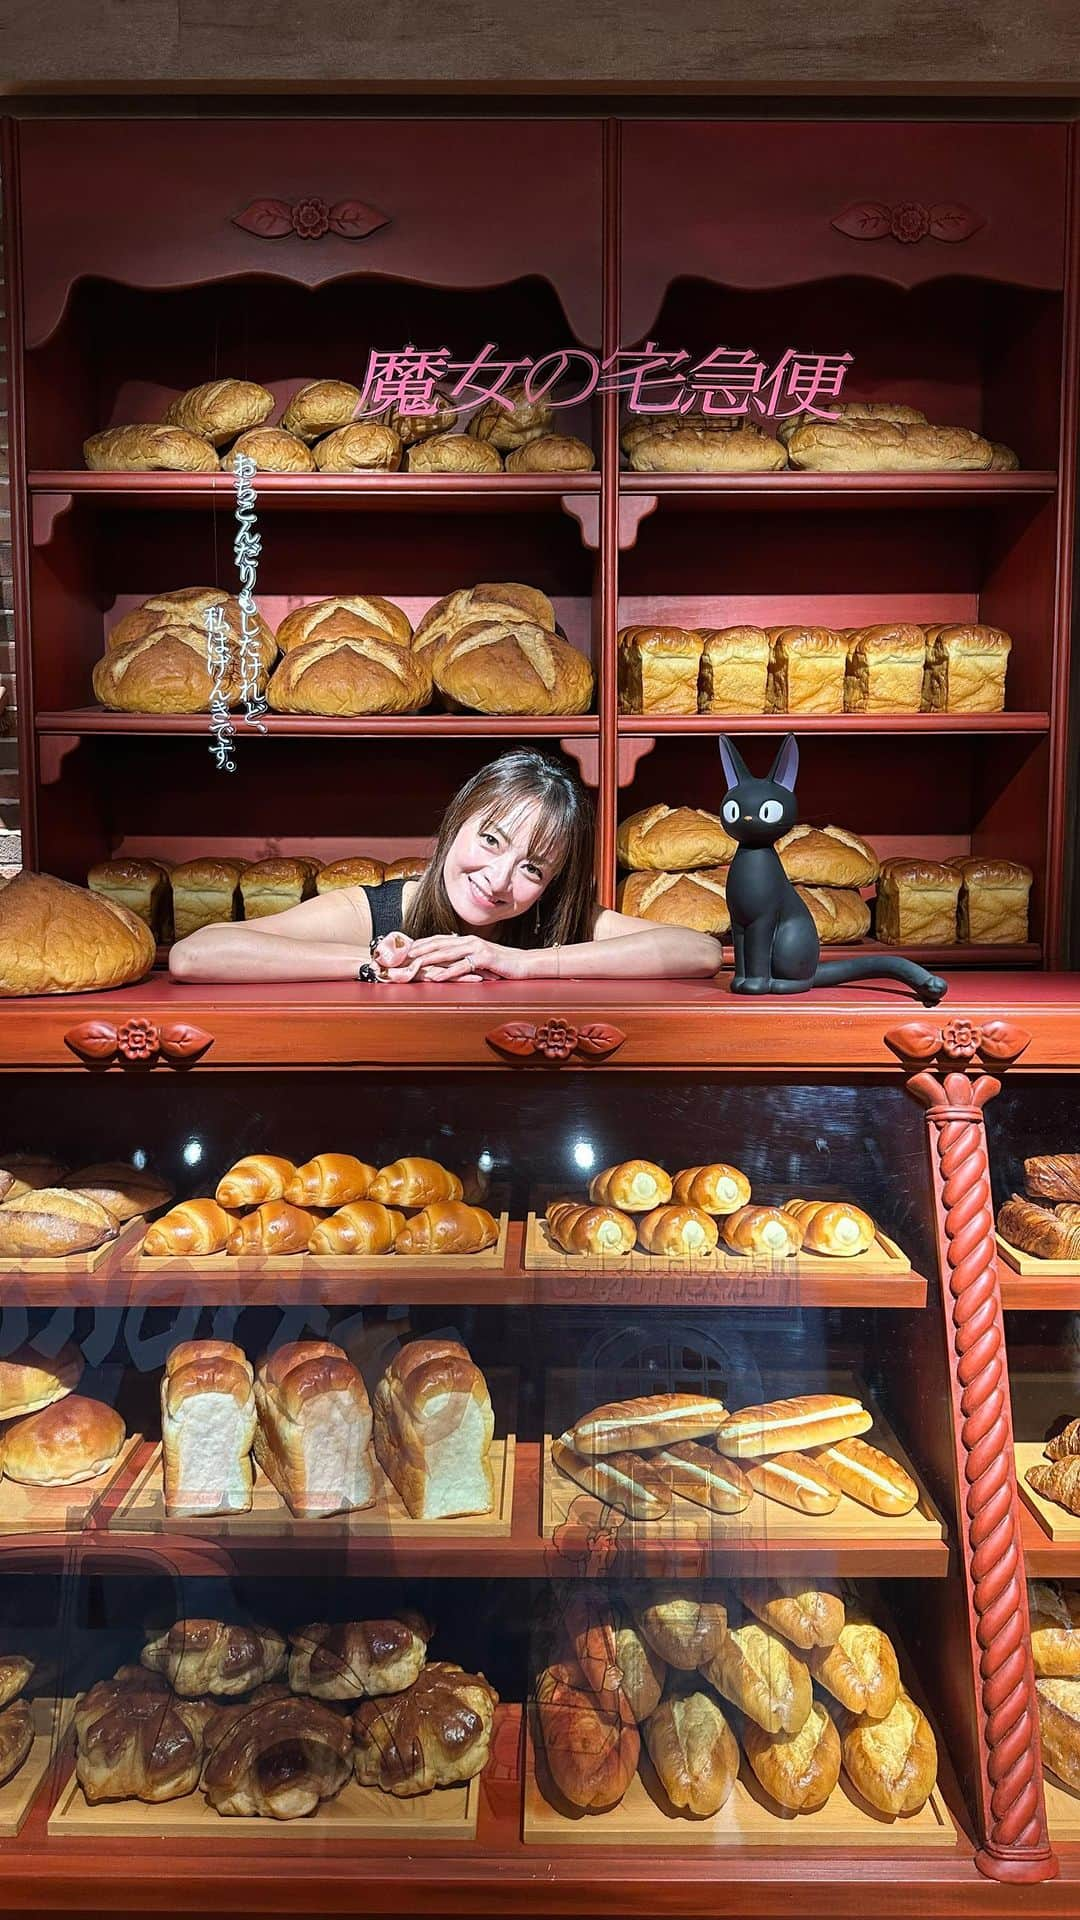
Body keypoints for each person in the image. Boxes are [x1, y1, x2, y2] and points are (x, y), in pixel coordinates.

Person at [168, 750, 722, 984]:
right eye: (490, 839)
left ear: (552, 883)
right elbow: (196, 955)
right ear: (455, 824)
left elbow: (696, 952)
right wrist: (372, 965)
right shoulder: (385, 908)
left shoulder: (554, 922)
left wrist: (517, 963)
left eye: (532, 868)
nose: (498, 879)